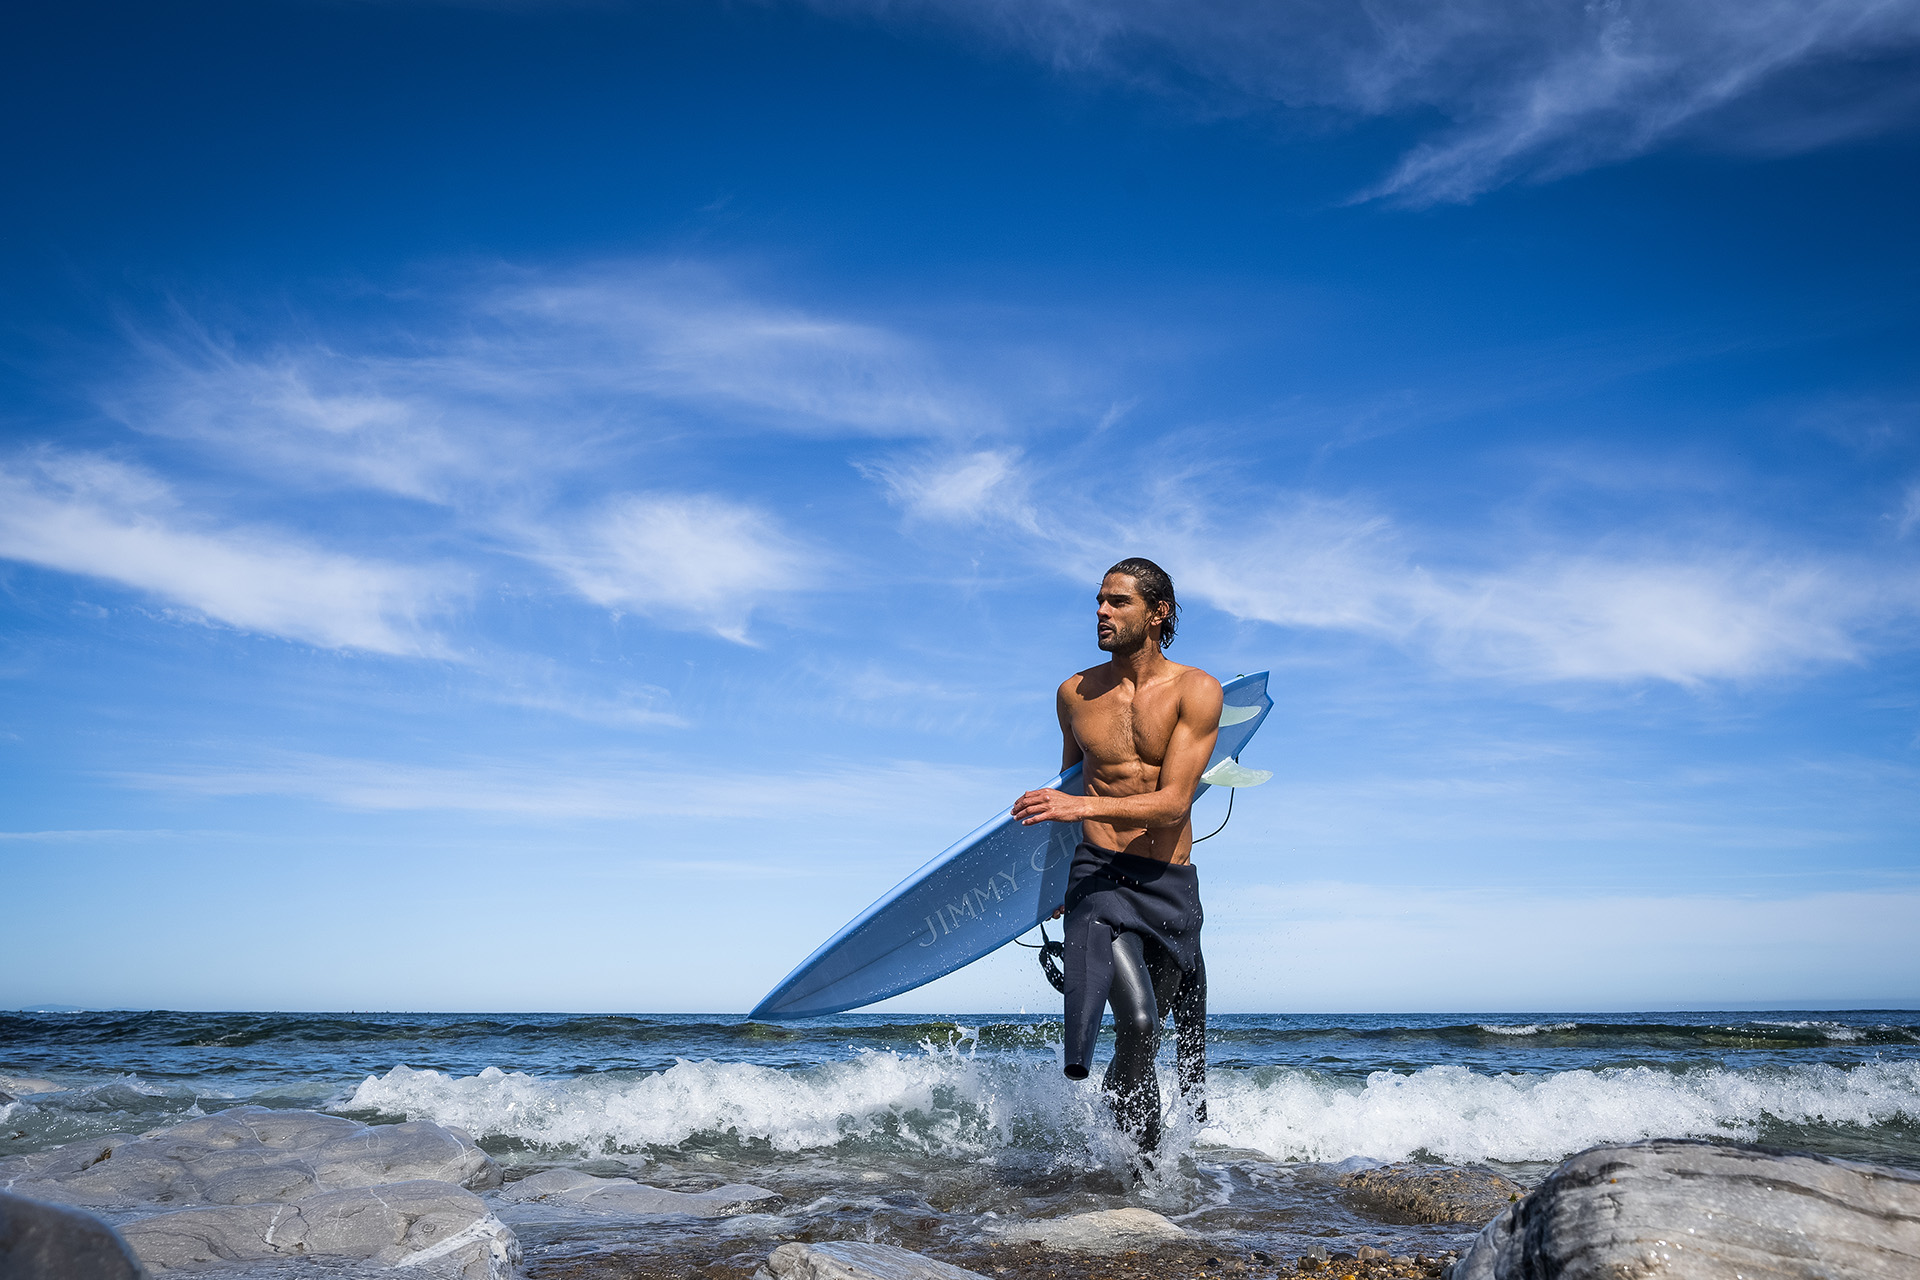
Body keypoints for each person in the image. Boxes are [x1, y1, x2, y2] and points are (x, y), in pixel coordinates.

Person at [1011, 557, 1222, 1153]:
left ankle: (1125, 1149)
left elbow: (1173, 801)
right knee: (1137, 1023)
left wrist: (1074, 808)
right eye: (1100, 601)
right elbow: (1071, 783)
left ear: (1159, 613)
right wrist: (1056, 881)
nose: (1102, 612)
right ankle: (1144, 1177)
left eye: (1118, 602)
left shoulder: (1195, 690)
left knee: (1145, 1040)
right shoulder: (1074, 693)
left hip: (1168, 881)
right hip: (1098, 875)